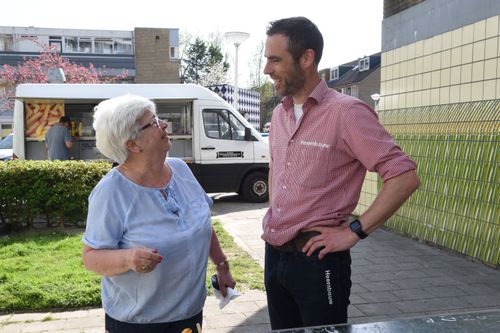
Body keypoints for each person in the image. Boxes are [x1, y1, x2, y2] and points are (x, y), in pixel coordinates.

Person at [262, 17, 420, 330]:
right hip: (273, 255)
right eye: (267, 59)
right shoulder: (280, 114)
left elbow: (404, 176)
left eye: (275, 60)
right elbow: (276, 171)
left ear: (307, 58)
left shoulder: (346, 112)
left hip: (316, 261)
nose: (267, 69)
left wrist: (354, 232)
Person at [81, 94, 236, 333]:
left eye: (158, 119)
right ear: (132, 144)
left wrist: (222, 265)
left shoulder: (181, 169)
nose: (164, 125)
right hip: (139, 323)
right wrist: (128, 259)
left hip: (189, 314)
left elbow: (202, 222)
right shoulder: (111, 192)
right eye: (152, 123)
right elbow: (91, 257)